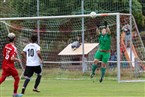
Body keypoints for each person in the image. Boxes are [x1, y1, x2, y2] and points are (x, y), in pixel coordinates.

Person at [0, 33, 23, 97]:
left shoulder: (6, 46)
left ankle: (15, 94)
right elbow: (12, 58)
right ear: (14, 39)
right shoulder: (14, 48)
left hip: (5, 65)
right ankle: (15, 94)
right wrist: (17, 60)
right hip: (10, 66)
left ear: (8, 39)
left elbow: (4, 55)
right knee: (17, 78)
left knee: (2, 78)